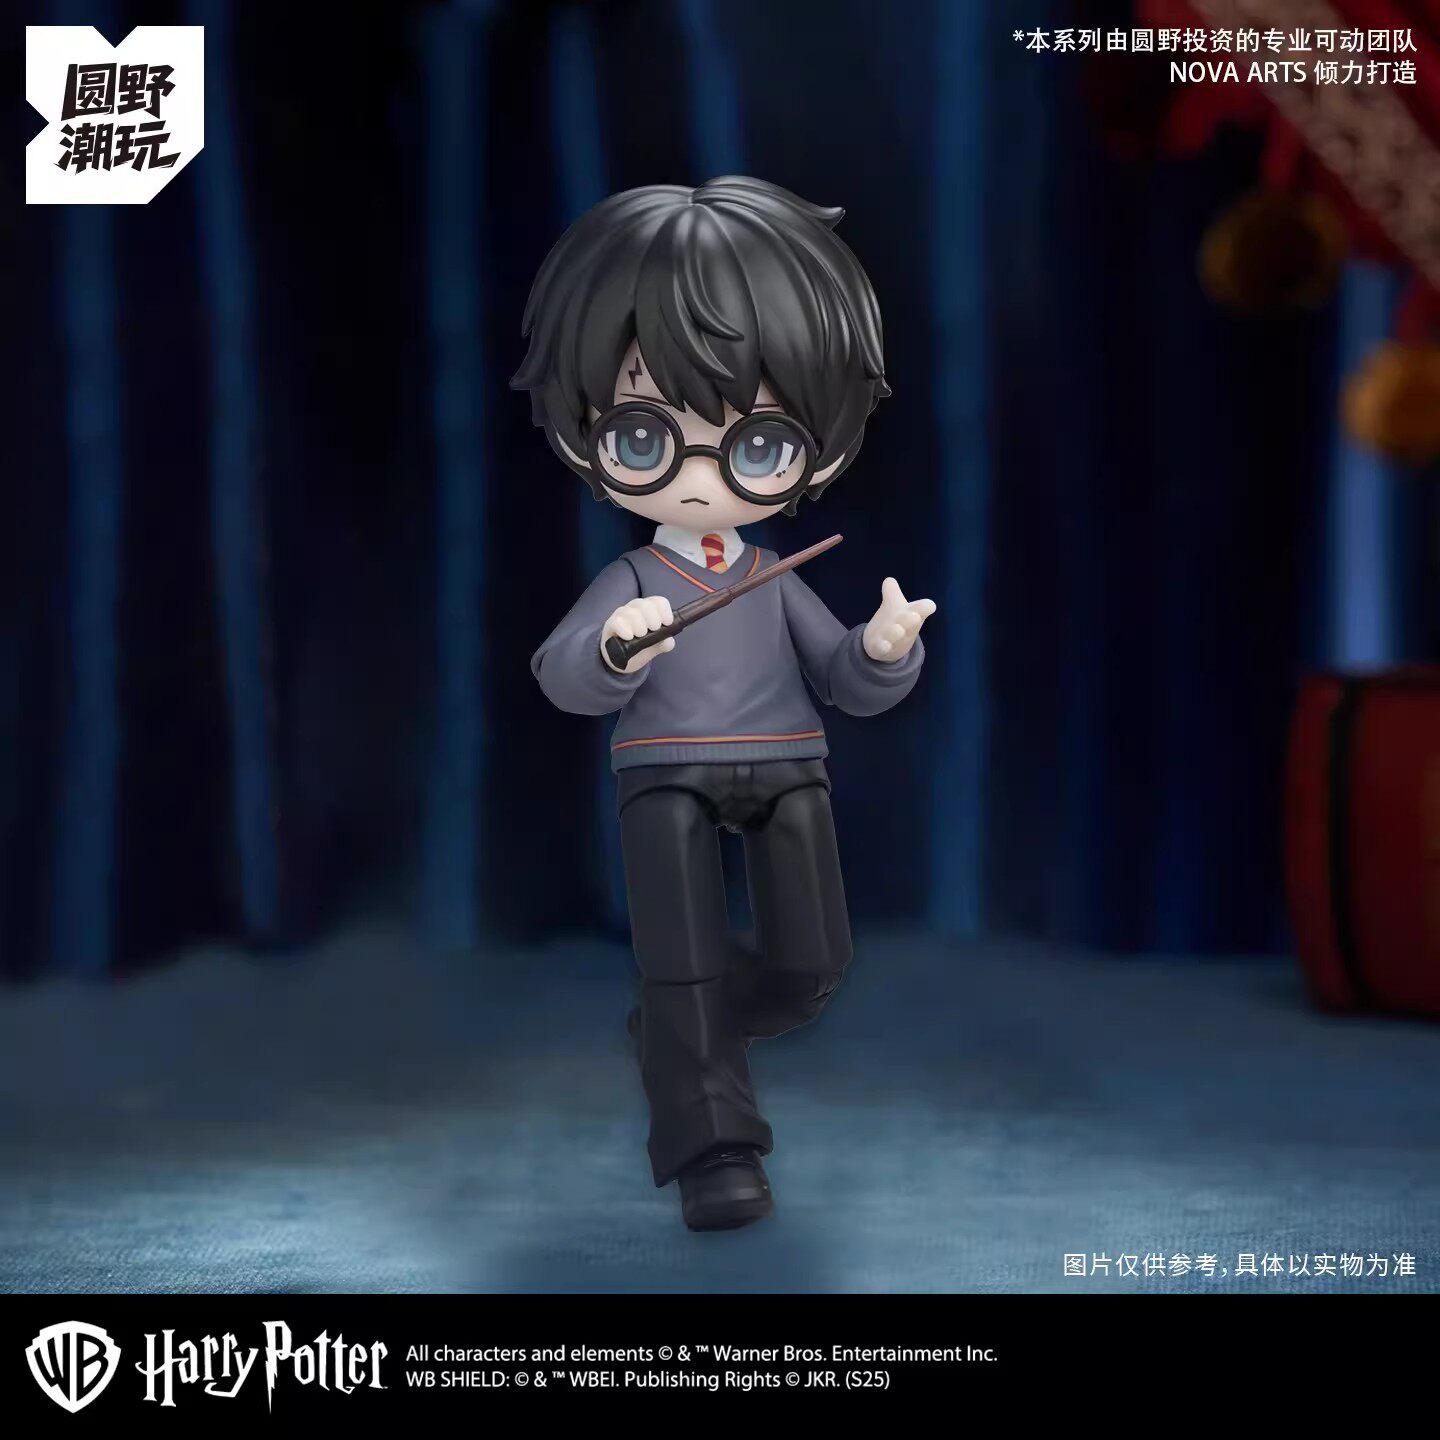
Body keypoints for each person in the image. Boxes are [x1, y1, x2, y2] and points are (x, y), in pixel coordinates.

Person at [518, 177, 935, 1230]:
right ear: (584, 431)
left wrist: (883, 650)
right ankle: (715, 1151)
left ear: (818, 445)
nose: (703, 480)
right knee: (685, 959)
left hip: (789, 762)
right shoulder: (635, 576)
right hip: (663, 772)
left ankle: (680, 1034)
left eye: (756, 446)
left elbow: (844, 679)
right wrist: (613, 648)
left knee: (811, 965)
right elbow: (561, 673)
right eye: (647, 438)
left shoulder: (772, 576)